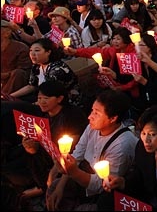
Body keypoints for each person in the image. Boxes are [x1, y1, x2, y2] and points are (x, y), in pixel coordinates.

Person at [45, 90, 139, 211]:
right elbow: (77, 155)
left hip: (103, 194)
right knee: (54, 187)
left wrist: (73, 172)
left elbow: (100, 185)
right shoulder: (92, 127)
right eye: (92, 111)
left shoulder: (122, 145)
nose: (90, 117)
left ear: (113, 118)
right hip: (84, 173)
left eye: (97, 113)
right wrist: (61, 186)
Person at [2, 81, 88, 211]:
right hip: (42, 155)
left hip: (62, 161)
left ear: (59, 98)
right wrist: (29, 146)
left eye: (46, 98)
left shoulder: (72, 116)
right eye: (39, 98)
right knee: (9, 165)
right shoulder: (42, 115)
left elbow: (71, 149)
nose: (41, 102)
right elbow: (38, 142)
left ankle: (40, 189)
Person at [9, 38, 79, 104]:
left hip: (62, 103)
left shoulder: (57, 70)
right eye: (31, 50)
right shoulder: (37, 65)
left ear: (48, 52)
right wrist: (10, 96)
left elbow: (51, 96)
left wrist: (31, 105)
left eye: (37, 50)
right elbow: (32, 86)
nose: (32, 54)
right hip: (43, 99)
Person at [1, 19, 32, 95]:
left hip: (13, 84)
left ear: (7, 33)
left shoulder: (21, 48)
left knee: (18, 73)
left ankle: (4, 97)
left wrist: (6, 75)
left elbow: (23, 73)